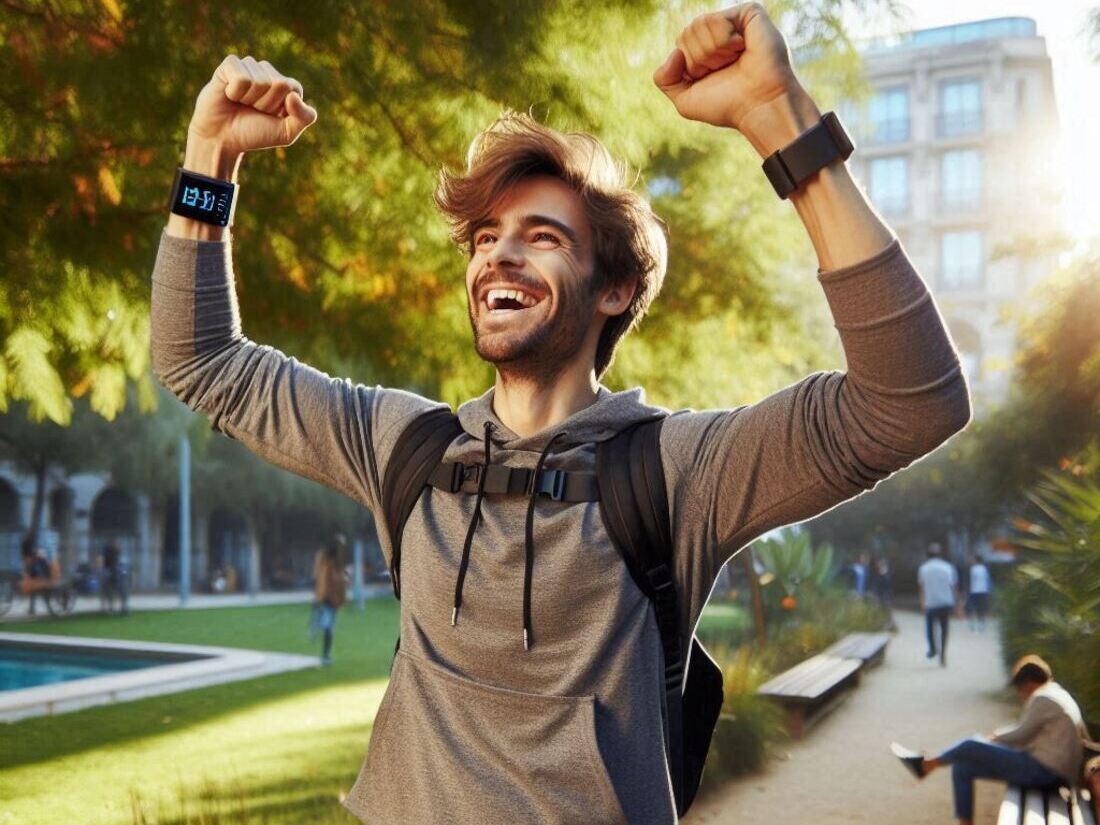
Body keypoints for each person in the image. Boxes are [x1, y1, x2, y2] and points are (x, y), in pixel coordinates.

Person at [149, 5, 971, 822]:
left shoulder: (680, 471)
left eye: (541, 236)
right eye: (483, 238)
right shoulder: (401, 444)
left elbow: (909, 403)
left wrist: (777, 119)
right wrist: (209, 155)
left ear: (615, 289)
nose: (497, 253)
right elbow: (202, 359)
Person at [891, 655, 1093, 825]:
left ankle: (926, 766)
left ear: (1029, 685)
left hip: (1046, 773)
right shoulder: (1057, 693)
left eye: (1021, 691)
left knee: (970, 746)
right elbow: (1025, 736)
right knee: (962, 767)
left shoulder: (1043, 698)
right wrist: (995, 739)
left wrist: (993, 739)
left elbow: (1021, 736)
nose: (1022, 696)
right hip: (1052, 771)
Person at [918, 542, 958, 666]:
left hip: (931, 603)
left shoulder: (923, 568)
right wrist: (957, 604)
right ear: (940, 554)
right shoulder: (948, 567)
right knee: (945, 629)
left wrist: (922, 603)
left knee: (930, 628)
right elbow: (954, 587)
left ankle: (933, 648)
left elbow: (921, 588)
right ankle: (943, 654)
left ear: (928, 555)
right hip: (946, 602)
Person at [311, 533, 349, 666]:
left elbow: (319, 577)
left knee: (329, 626)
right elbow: (320, 578)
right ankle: (325, 655)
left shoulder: (334, 562)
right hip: (328, 598)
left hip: (332, 598)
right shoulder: (326, 560)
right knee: (328, 626)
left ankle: (326, 654)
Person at [964, 554, 992, 631]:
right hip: (983, 590)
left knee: (971, 608)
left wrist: (967, 590)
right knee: (981, 608)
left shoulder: (972, 569)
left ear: (976, 560)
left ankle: (972, 623)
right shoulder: (985, 569)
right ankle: (981, 624)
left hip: (974, 591)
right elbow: (988, 580)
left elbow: (970, 580)